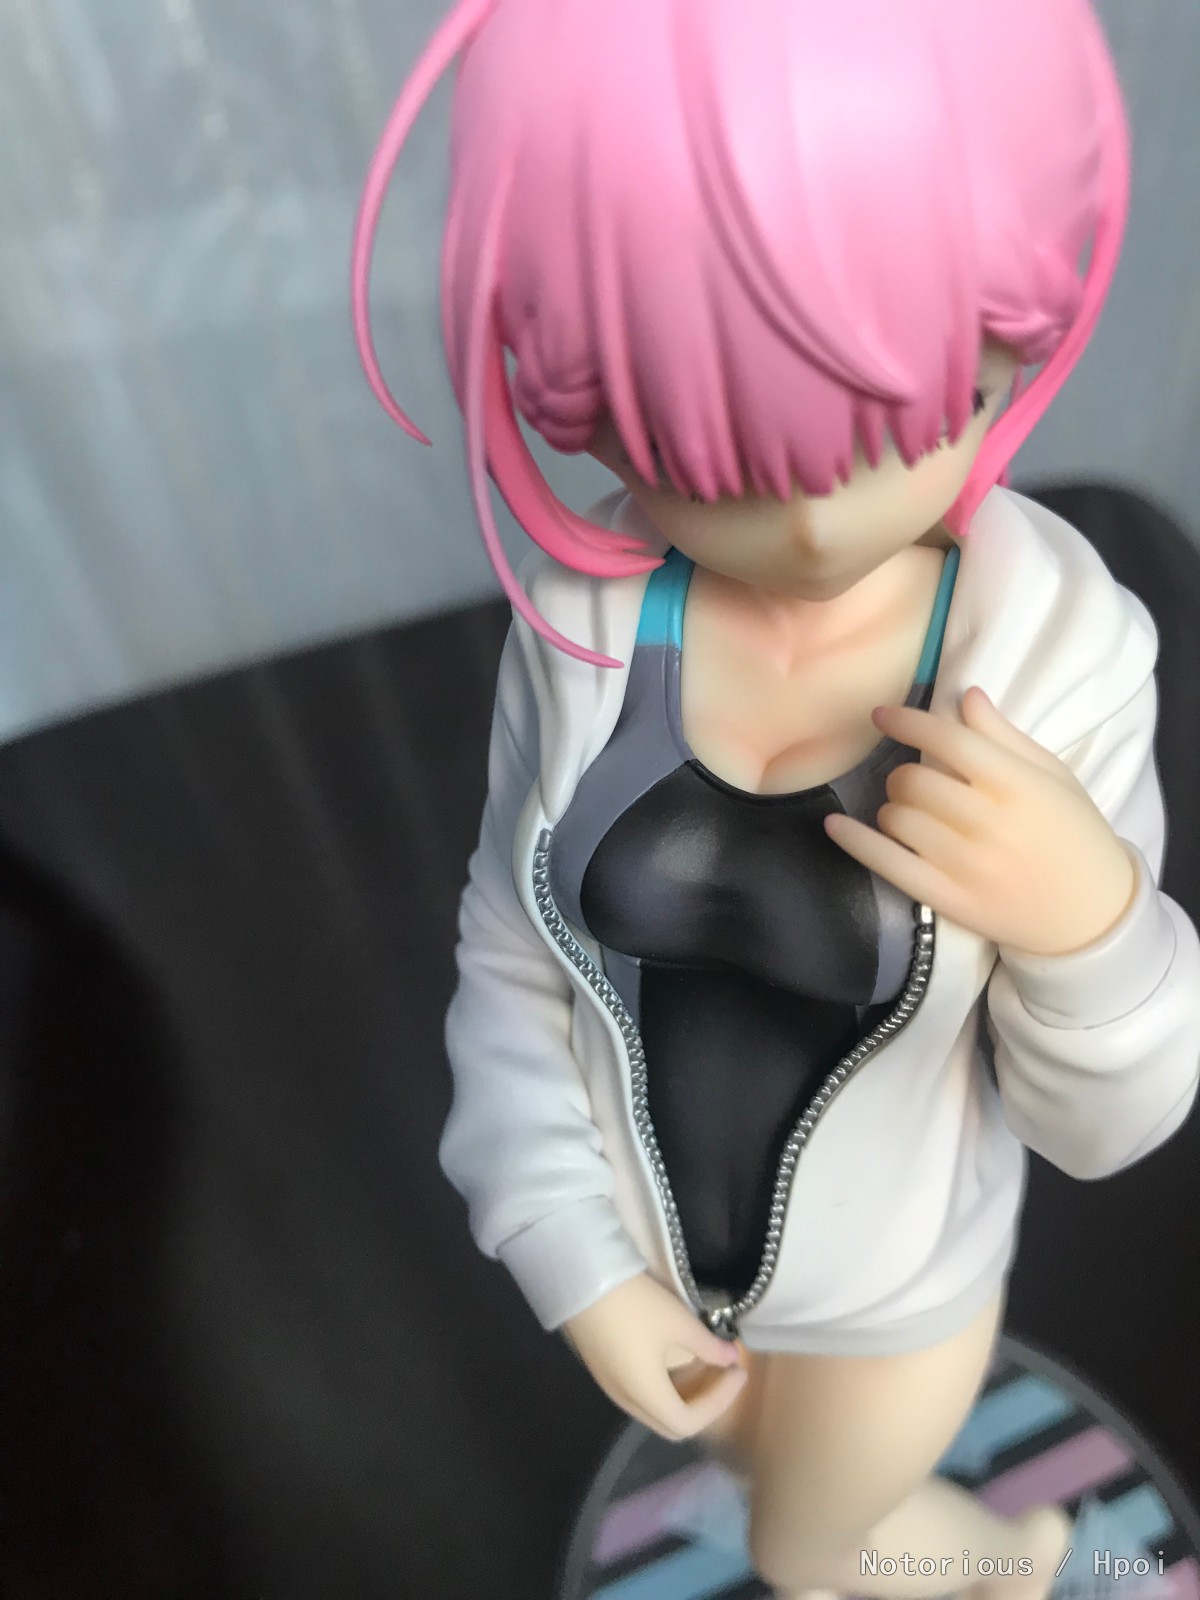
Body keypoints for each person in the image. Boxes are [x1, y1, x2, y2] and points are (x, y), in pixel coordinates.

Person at [352, 2, 1200, 1594]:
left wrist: (1092, 928)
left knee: (813, 1559)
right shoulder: (586, 631)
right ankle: (1007, 1560)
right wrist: (569, 1248)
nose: (814, 526)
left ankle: (1008, 1571)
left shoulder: (1058, 653)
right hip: (673, 1277)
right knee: (772, 1491)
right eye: (714, 453)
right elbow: (511, 954)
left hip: (898, 1304)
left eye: (912, 414)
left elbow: (1105, 1128)